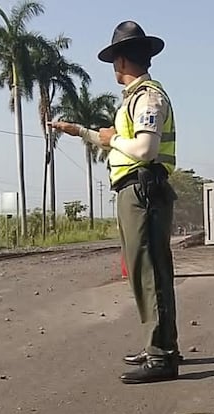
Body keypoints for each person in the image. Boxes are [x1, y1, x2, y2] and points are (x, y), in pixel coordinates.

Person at [51, 20, 180, 384]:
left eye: (115, 59)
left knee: (151, 271)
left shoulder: (148, 97)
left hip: (143, 190)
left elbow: (144, 148)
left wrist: (109, 138)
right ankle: (158, 344)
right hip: (134, 190)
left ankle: (162, 355)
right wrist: (80, 131)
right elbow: (115, 140)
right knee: (144, 271)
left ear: (121, 61)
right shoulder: (134, 100)